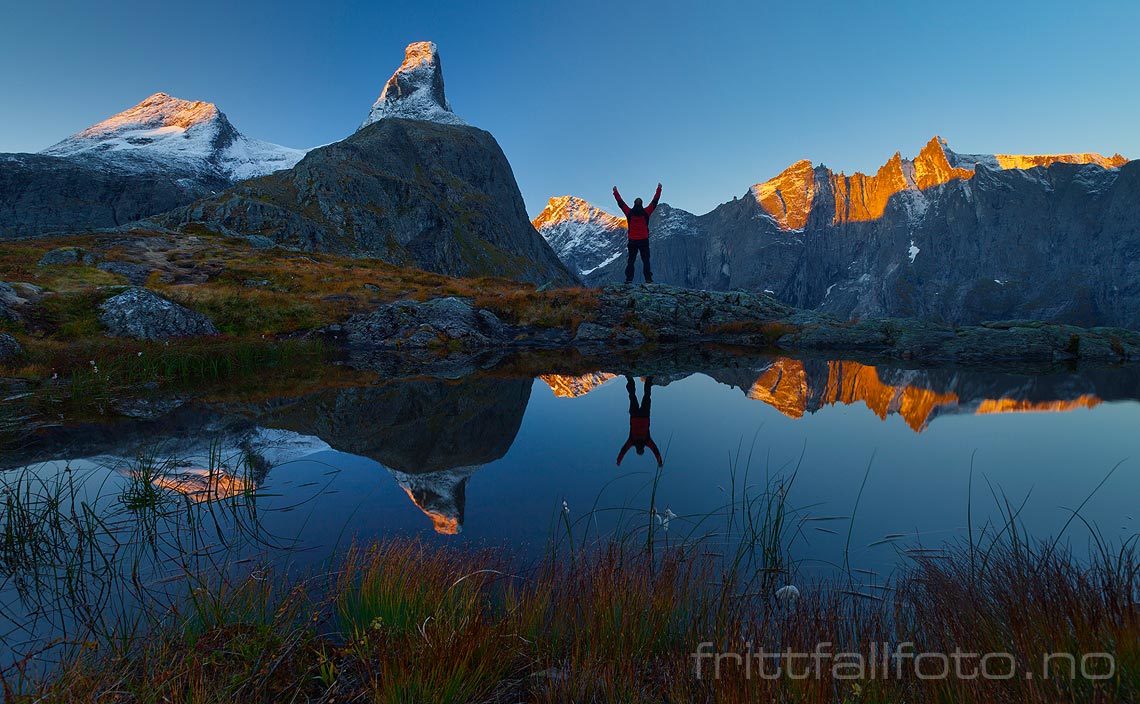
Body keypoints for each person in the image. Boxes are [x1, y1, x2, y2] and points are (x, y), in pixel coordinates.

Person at [613, 182, 662, 284]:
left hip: (632, 241)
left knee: (631, 261)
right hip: (644, 240)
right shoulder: (646, 212)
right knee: (646, 260)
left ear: (634, 204)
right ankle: (648, 279)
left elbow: (620, 203)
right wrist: (659, 189)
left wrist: (615, 192)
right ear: (642, 204)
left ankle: (629, 279)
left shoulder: (629, 213)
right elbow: (655, 201)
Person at [617, 375, 663, 467]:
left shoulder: (645, 441)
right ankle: (630, 378)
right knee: (633, 396)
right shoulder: (633, 441)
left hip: (644, 416)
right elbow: (623, 450)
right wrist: (618, 460)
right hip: (635, 416)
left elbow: (655, 450)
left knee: (646, 396)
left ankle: (648, 379)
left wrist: (660, 462)